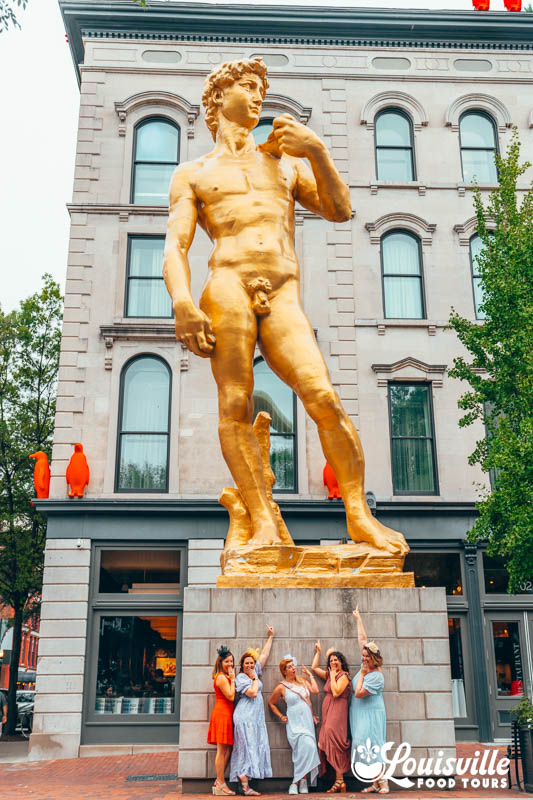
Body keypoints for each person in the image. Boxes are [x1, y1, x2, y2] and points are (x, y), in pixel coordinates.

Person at [163, 56, 408, 557]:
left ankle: (359, 515)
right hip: (227, 284)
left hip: (282, 290)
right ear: (219, 97)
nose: (259, 96)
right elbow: (175, 245)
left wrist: (316, 150)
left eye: (262, 88)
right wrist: (182, 302)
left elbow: (340, 210)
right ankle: (262, 521)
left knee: (323, 397)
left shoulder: (285, 163)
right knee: (235, 402)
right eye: (249, 86)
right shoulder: (194, 173)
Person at [230, 625, 275, 794]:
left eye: (252, 662)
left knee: (253, 746)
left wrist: (270, 637)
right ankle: (243, 779)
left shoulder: (255, 671)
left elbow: (264, 655)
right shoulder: (241, 678)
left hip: (255, 718)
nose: (250, 665)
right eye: (246, 663)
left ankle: (246, 783)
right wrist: (255, 678)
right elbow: (253, 693)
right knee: (246, 747)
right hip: (244, 717)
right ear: (242, 665)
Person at [268, 655, 320, 795]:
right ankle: (297, 782)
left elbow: (315, 690)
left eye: (293, 666)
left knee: (308, 748)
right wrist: (281, 716)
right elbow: (271, 703)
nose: (293, 668)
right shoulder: (281, 687)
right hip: (294, 722)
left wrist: (310, 675)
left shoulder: (302, 681)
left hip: (307, 721)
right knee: (301, 750)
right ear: (284, 671)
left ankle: (300, 781)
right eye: (289, 667)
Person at [350, 607, 388, 795]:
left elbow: (358, 693)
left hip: (371, 714)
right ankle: (375, 783)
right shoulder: (365, 664)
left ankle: (384, 782)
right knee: (363, 745)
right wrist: (358, 619)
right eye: (363, 656)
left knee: (370, 745)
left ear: (375, 659)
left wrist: (363, 674)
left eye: (367, 657)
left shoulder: (376, 676)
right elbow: (363, 640)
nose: (364, 659)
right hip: (359, 712)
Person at [311, 639, 351, 793]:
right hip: (328, 711)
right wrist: (319, 653)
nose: (333, 662)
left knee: (334, 742)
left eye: (336, 660)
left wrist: (333, 674)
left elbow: (336, 692)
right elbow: (314, 668)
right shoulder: (329, 675)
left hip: (338, 711)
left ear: (341, 662)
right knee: (323, 744)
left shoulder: (343, 676)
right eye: (331, 660)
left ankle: (339, 781)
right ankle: (339, 781)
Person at [208, 645, 236, 796]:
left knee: (228, 749)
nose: (230, 664)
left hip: (226, 713)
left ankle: (218, 781)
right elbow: (230, 696)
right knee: (221, 750)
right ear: (220, 663)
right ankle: (221, 783)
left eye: (231, 661)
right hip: (222, 713)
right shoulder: (221, 677)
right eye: (227, 662)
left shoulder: (224, 676)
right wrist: (233, 680)